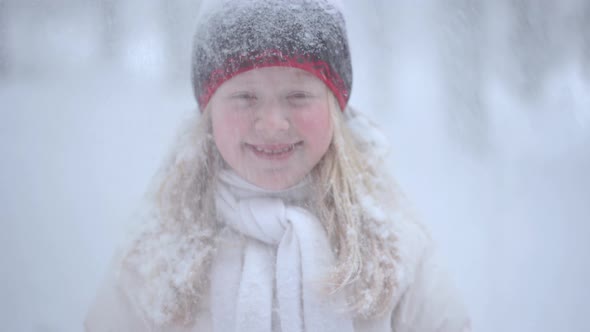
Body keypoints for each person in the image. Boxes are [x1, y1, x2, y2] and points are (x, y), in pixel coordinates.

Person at [85, 0, 471, 331]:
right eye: (245, 96)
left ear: (335, 109)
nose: (272, 123)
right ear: (209, 113)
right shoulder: (158, 255)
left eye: (298, 95)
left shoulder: (392, 246)